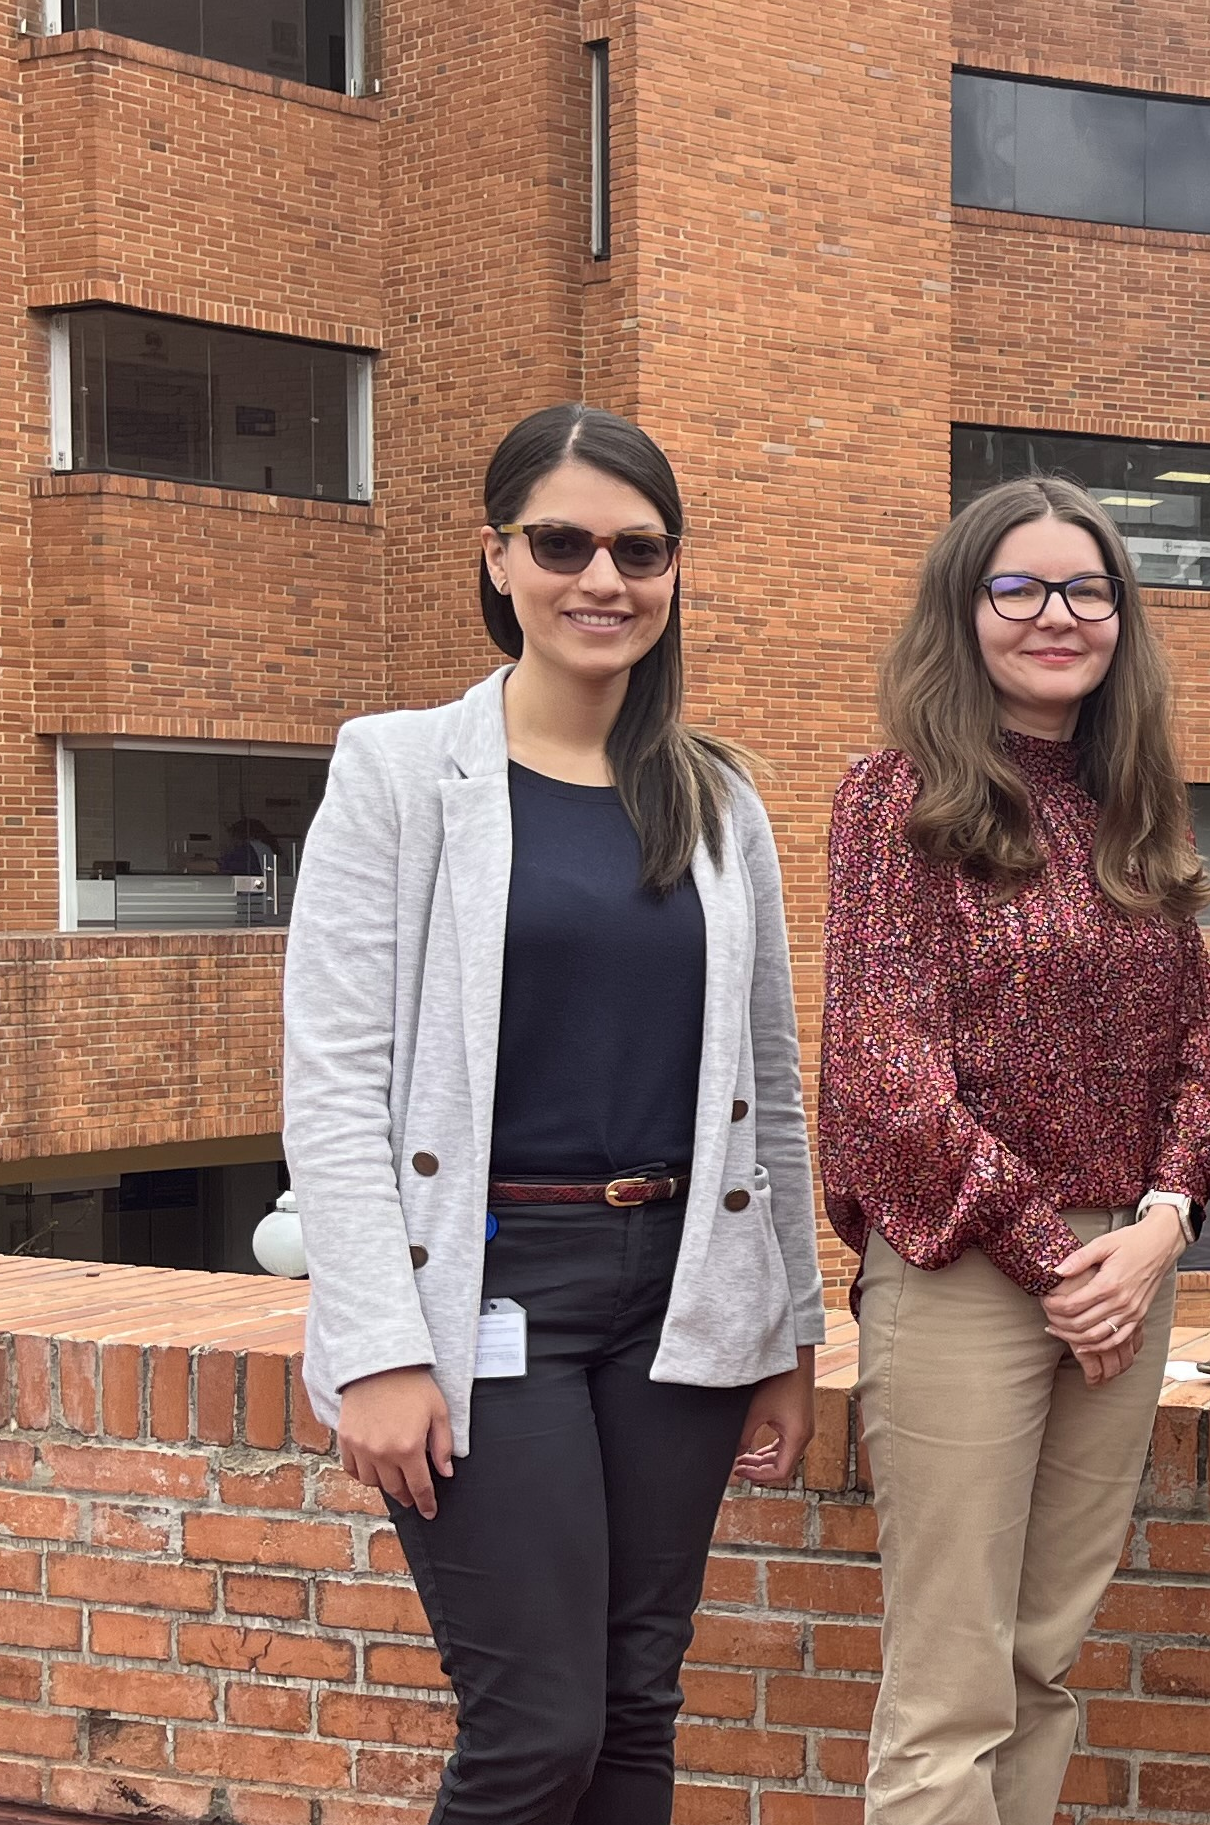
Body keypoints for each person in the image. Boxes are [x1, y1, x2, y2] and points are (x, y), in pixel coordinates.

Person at [286, 403, 822, 1825]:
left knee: (637, 1709)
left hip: (682, 1303)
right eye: (564, 542)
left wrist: (789, 1330)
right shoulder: (399, 773)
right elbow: (333, 1087)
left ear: (674, 569)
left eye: (640, 548)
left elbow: (766, 1093)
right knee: (537, 1731)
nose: (604, 578)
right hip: (485, 1286)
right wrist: (378, 1346)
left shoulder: (719, 801)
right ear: (498, 557)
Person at [823, 475, 1210, 1823]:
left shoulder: (1137, 803)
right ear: (965, 608)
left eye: (1086, 589)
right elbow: (882, 1070)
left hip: (1126, 1265)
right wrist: (1049, 1255)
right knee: (952, 1687)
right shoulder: (896, 799)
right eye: (1019, 586)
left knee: (1044, 1661)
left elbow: (1206, 1042)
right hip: (968, 1270)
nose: (1056, 614)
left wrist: (1164, 1222)